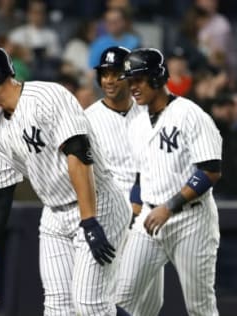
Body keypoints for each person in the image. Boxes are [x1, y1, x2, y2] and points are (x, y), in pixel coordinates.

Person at [0, 46, 131, 316]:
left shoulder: (46, 95)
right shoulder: (0, 133)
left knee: (89, 305)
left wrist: (89, 219)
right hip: (54, 213)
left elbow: (78, 153)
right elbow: (0, 198)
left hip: (97, 202)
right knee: (57, 308)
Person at [115, 48, 222, 316]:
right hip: (150, 218)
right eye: (130, 81)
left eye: (139, 79)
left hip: (191, 220)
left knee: (200, 308)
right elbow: (143, 172)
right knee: (119, 298)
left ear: (157, 77)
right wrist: (135, 211)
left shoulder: (190, 114)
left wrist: (170, 206)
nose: (133, 87)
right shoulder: (136, 123)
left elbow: (210, 170)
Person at [85, 46, 163, 315]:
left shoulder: (149, 113)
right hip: (113, 218)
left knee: (152, 303)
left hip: (148, 215)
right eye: (104, 74)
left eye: (115, 73)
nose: (108, 80)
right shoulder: (88, 120)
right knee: (120, 299)